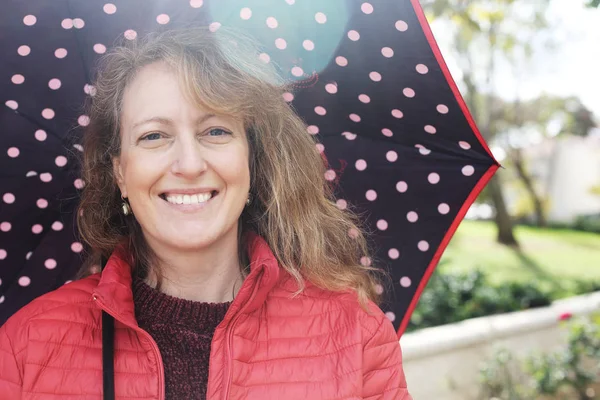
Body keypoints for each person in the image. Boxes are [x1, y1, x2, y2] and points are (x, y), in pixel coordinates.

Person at [0, 28, 412, 400]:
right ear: (121, 174)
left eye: (215, 130)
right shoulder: (24, 346)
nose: (189, 163)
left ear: (252, 159)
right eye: (154, 136)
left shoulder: (355, 334)